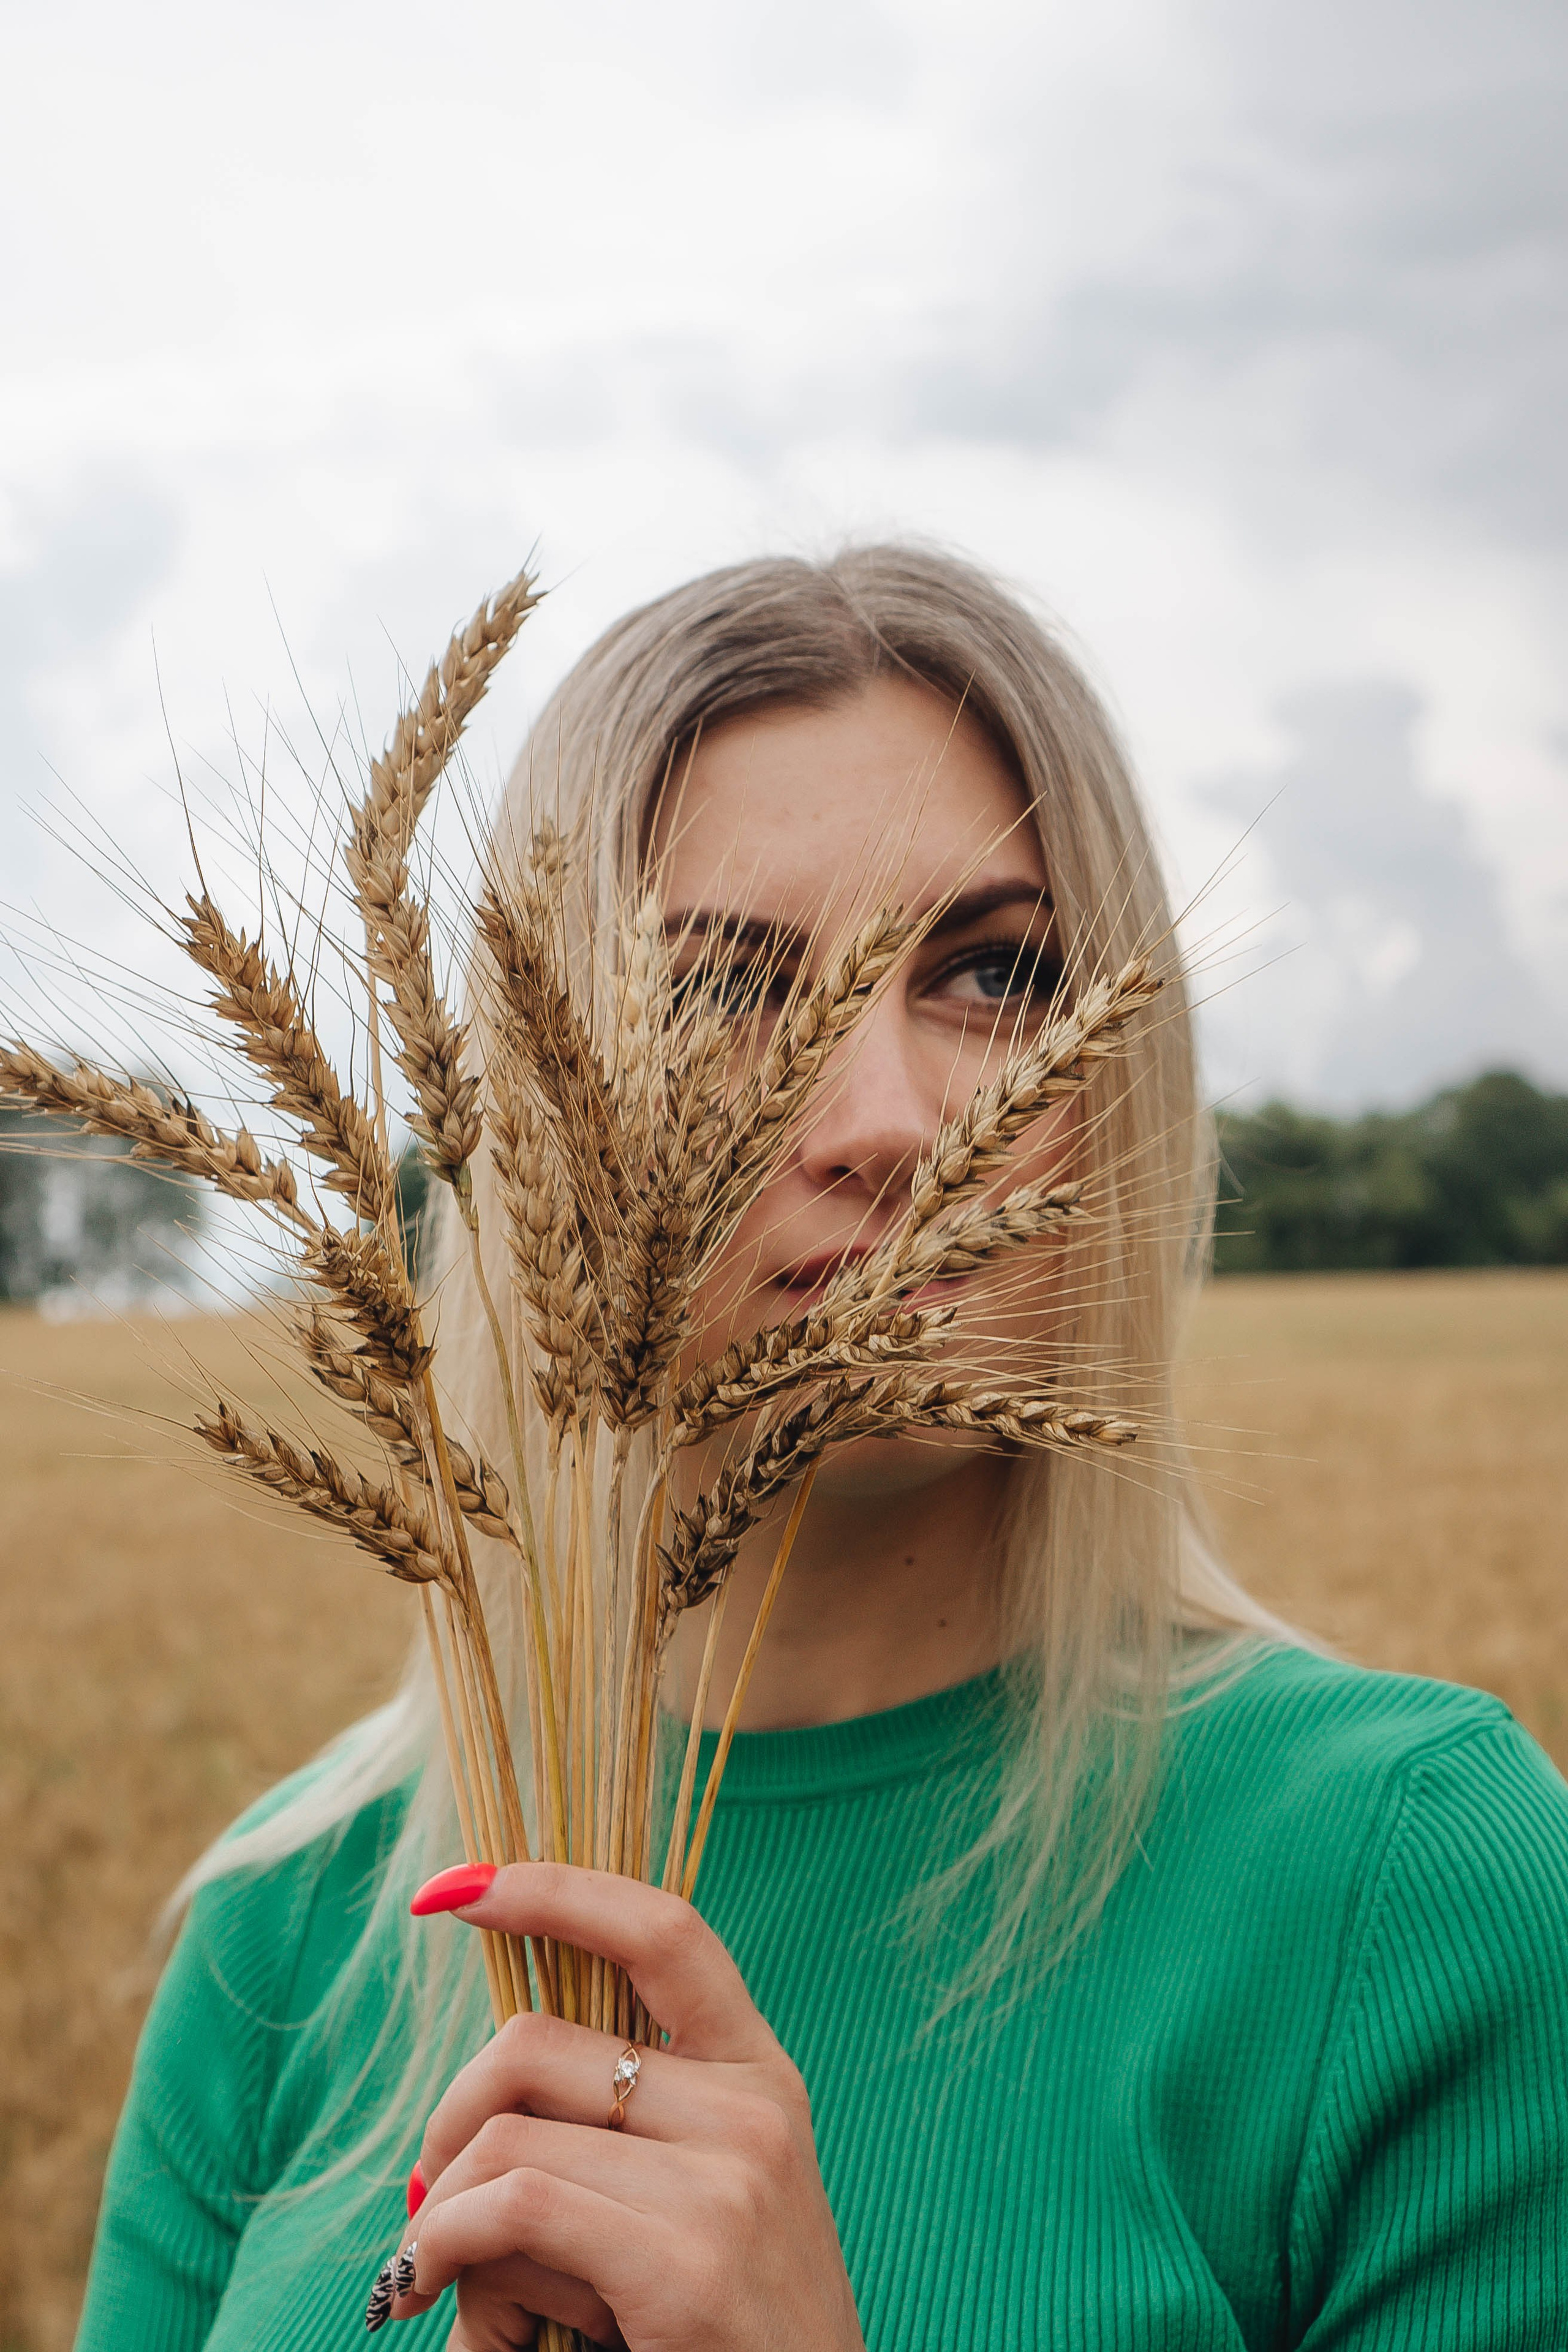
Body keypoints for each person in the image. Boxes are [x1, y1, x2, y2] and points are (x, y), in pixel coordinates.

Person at [76, 546, 1568, 2351]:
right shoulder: (284, 1936)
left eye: (995, 975)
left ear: (1122, 1078)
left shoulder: (1420, 1887)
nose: (881, 1125)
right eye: (721, 989)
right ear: (544, 1105)